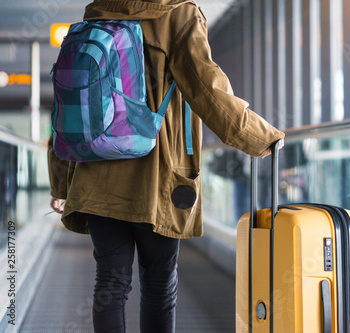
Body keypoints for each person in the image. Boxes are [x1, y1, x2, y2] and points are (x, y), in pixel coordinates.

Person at [47, 1, 285, 332]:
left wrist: (60, 182)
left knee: (110, 288)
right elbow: (207, 88)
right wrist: (262, 139)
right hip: (156, 176)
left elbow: (67, 103)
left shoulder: (98, 12)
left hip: (95, 174)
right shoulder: (179, 14)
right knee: (159, 287)